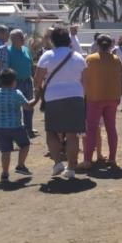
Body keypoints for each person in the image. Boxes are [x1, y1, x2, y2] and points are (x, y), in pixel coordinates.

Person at [34, 26, 87, 179]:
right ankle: (71, 168)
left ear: (53, 40)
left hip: (53, 98)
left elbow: (37, 80)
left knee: (51, 131)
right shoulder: (78, 57)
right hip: (75, 97)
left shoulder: (47, 56)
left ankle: (58, 163)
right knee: (72, 135)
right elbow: (85, 81)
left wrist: (40, 90)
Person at [80, 35, 122, 169]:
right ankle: (112, 159)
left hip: (94, 98)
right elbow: (121, 78)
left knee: (91, 129)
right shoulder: (116, 60)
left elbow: (83, 79)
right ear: (111, 45)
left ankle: (87, 160)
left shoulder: (90, 59)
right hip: (112, 97)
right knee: (111, 128)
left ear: (97, 45)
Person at [0, 68, 34, 181]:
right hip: (16, 126)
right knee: (25, 145)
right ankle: (20, 165)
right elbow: (27, 106)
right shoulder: (17, 93)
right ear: (14, 81)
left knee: (5, 151)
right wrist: (36, 98)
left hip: (0, 128)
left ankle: (5, 173)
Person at [7, 29, 36, 137]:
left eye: (23, 37)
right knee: (15, 107)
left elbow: (31, 64)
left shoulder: (26, 50)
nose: (23, 39)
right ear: (13, 39)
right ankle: (17, 130)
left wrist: (34, 78)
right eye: (21, 38)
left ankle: (29, 128)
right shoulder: (8, 51)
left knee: (29, 106)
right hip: (15, 82)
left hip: (27, 81)